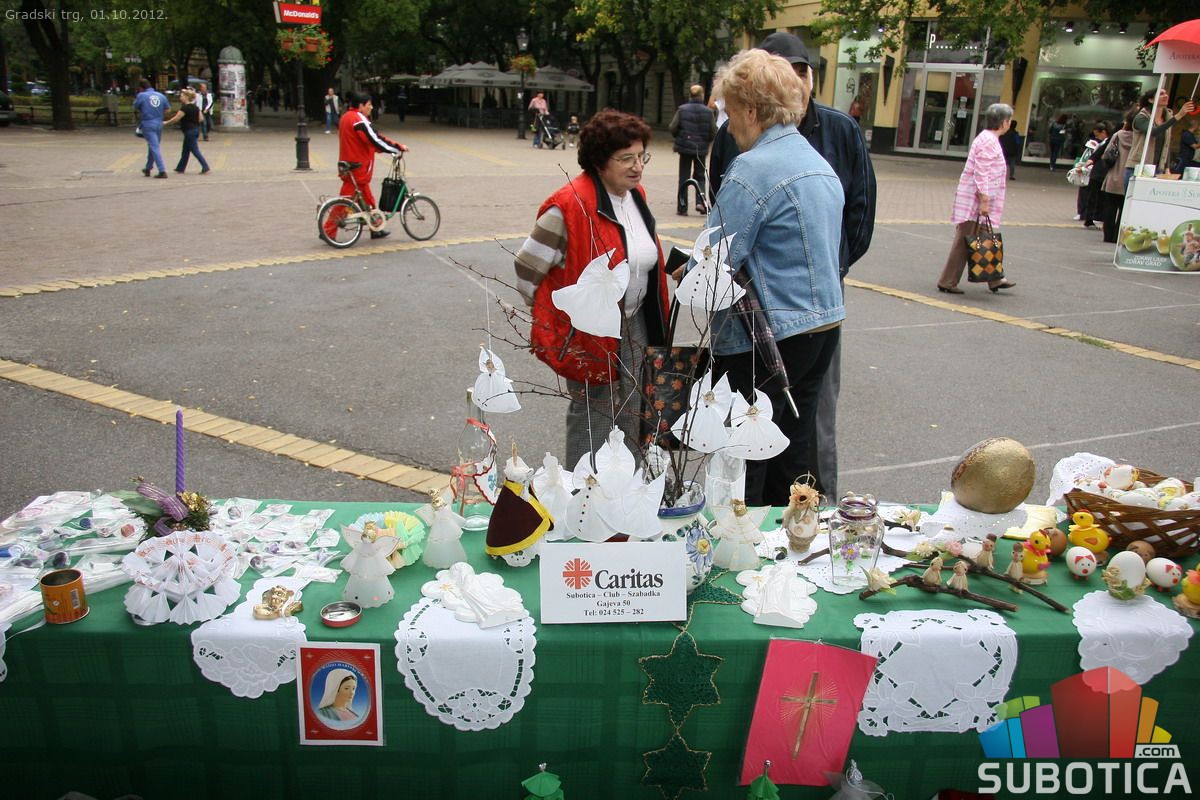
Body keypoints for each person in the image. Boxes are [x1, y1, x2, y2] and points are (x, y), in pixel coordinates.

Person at [709, 31, 876, 502]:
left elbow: (716, 258)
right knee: (793, 451)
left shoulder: (753, 168)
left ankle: (746, 537)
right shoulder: (816, 162)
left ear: (750, 111)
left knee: (747, 454)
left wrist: (686, 272)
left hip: (769, 334)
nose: (728, 125)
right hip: (822, 325)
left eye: (729, 111)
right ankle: (793, 535)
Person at [513, 109, 671, 466]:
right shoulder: (568, 205)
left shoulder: (635, 195)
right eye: (626, 158)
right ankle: (582, 490)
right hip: (591, 328)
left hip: (636, 320)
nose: (637, 166)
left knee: (635, 408)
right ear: (600, 161)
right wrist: (558, 317)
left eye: (641, 156)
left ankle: (626, 485)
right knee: (594, 412)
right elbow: (527, 267)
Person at [937, 102, 1017, 294]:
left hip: (978, 199)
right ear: (1003, 122)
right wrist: (984, 200)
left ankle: (995, 278)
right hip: (975, 201)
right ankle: (948, 281)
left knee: (985, 237)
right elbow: (981, 172)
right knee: (965, 240)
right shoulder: (988, 141)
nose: (1009, 123)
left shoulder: (988, 138)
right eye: (1009, 120)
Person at [337, 90, 408, 239]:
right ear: (361, 105)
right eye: (369, 104)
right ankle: (328, 230)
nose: (371, 107)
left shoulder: (346, 117)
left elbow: (366, 141)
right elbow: (375, 139)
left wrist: (387, 148)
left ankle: (376, 228)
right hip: (358, 167)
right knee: (344, 203)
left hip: (350, 164)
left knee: (368, 200)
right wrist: (396, 148)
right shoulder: (359, 120)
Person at [669, 84, 717, 216]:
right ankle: (700, 202)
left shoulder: (682, 109)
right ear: (702, 95)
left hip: (684, 147)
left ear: (690, 95)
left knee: (684, 177)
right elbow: (713, 131)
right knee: (700, 176)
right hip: (700, 149)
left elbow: (673, 127)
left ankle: (682, 206)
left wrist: (680, 136)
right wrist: (705, 141)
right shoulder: (708, 112)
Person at [1129, 89, 1195, 178]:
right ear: (1151, 100)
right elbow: (1153, 132)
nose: (1165, 95)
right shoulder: (1141, 117)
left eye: (1166, 93)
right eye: (1161, 94)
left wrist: (1167, 167)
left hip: (1158, 169)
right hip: (1139, 166)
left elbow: (1166, 145)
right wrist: (1179, 115)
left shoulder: (1167, 118)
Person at [1099, 111, 1134, 244]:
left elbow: (1106, 153)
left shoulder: (1118, 135)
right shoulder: (1140, 139)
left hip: (1114, 176)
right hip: (1129, 177)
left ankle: (1108, 236)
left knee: (1110, 208)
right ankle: (1117, 236)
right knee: (1124, 209)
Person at [164, 89, 210, 174]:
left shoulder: (185, 108)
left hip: (189, 131)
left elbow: (176, 118)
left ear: (187, 97)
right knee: (185, 150)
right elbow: (201, 119)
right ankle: (180, 168)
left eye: (182, 96)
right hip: (195, 129)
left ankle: (205, 166)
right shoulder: (196, 107)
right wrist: (193, 121)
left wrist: (166, 123)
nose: (180, 97)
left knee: (195, 150)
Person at [133, 79, 171, 179]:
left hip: (148, 123)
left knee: (154, 147)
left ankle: (162, 170)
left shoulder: (141, 95)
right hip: (159, 122)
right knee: (153, 145)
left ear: (141, 88)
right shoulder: (161, 95)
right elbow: (167, 109)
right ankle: (148, 167)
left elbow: (136, 106)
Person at [1082, 122, 1111, 229]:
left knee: (1096, 197)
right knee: (1094, 197)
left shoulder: (1107, 142)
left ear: (1103, 132)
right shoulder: (1105, 142)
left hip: (1100, 172)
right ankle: (1090, 219)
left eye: (1098, 135)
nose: (1096, 137)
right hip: (1099, 172)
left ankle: (1093, 218)